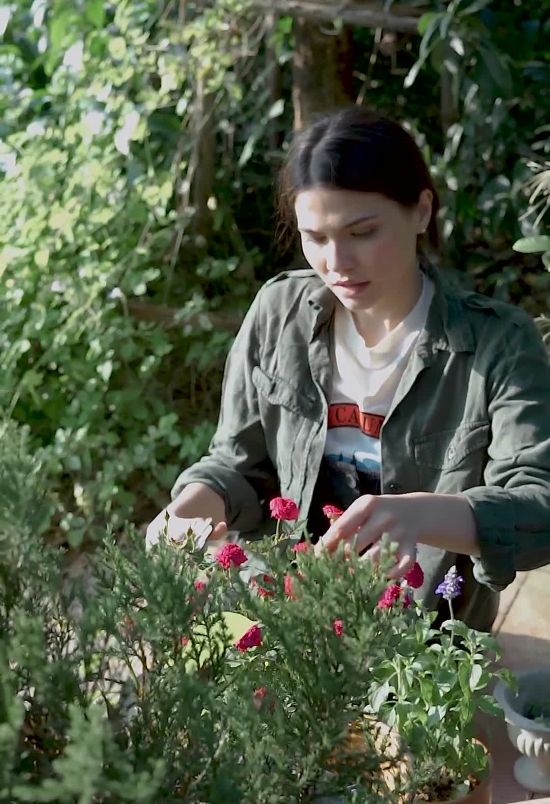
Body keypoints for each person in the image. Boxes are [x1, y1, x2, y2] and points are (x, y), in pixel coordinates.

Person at [146, 106, 550, 632]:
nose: (336, 262)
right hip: (286, 622)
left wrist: (418, 516)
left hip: (428, 649)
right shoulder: (278, 314)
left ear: (421, 211)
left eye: (362, 232)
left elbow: (538, 507)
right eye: (315, 237)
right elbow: (238, 463)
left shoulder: (498, 342)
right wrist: (192, 508)